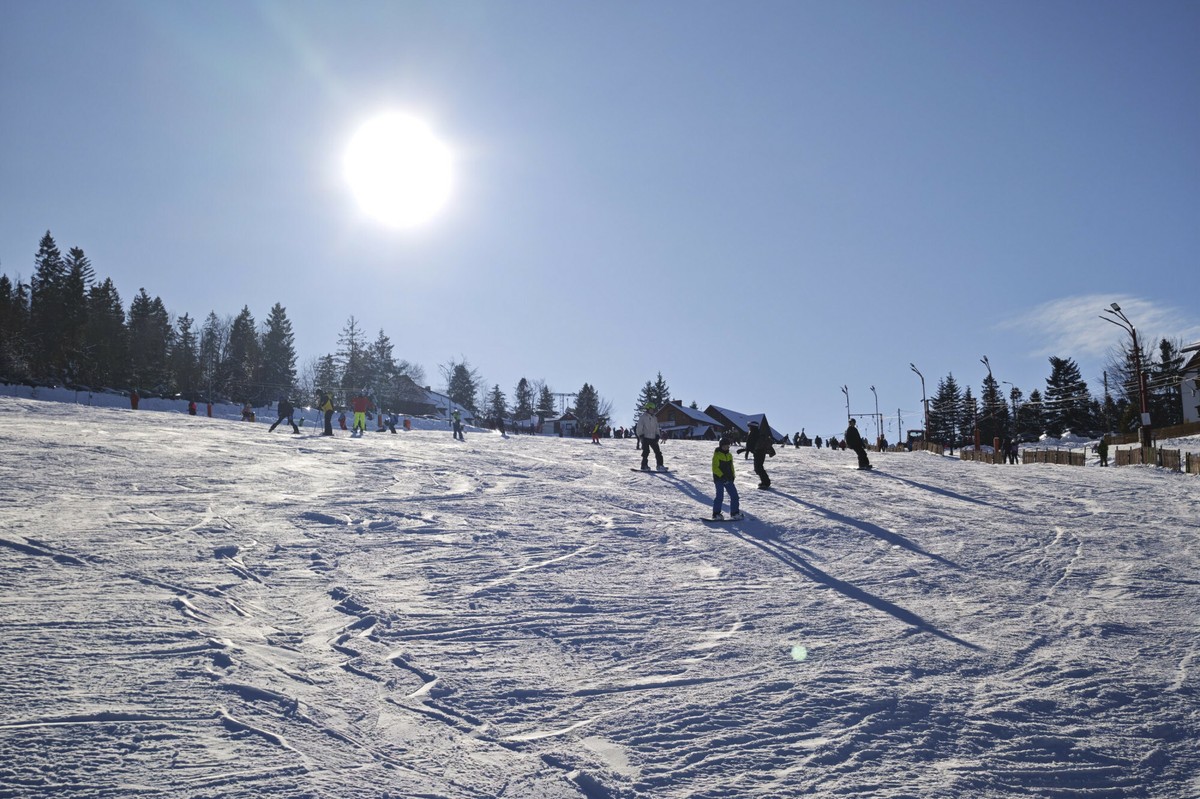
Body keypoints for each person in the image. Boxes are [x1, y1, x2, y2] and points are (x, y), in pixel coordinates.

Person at [711, 435, 743, 520]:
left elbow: (731, 466)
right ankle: (716, 514)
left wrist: (732, 475)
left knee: (734, 495)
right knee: (720, 496)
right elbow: (715, 468)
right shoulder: (717, 455)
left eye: (727, 446)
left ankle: (734, 513)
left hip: (728, 479)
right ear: (721, 446)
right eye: (724, 446)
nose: (726, 447)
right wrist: (722, 476)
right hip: (719, 479)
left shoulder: (729, 455)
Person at [741, 419, 776, 489]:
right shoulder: (757, 432)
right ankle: (765, 482)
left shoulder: (753, 433)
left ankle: (766, 483)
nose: (749, 428)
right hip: (760, 452)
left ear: (752, 426)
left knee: (758, 468)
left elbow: (750, 444)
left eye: (749, 426)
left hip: (758, 452)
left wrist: (746, 449)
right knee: (759, 467)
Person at [635, 403, 666, 471]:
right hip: (645, 437)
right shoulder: (643, 417)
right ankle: (644, 466)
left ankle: (660, 465)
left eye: (653, 409)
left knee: (658, 452)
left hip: (653, 438)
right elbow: (639, 427)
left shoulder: (654, 418)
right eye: (651, 409)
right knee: (646, 452)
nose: (652, 411)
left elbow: (657, 428)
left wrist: (658, 435)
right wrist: (641, 436)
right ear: (647, 409)